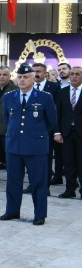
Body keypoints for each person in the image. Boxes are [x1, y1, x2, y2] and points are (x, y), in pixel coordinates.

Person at [0, 63, 57, 226]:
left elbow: (51, 122)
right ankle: (12, 211)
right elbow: (7, 118)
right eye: (20, 77)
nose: (22, 80)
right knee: (13, 181)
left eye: (26, 77)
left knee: (38, 182)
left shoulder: (45, 97)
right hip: (14, 146)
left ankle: (39, 215)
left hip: (36, 147)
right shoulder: (9, 97)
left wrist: (36, 134)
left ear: (34, 79)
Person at [31, 62, 62, 190]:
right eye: (34, 71)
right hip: (30, 130)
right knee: (32, 159)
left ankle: (45, 187)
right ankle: (33, 185)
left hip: (46, 130)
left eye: (39, 71)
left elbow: (57, 110)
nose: (36, 74)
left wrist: (55, 131)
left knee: (46, 160)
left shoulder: (54, 87)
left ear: (45, 74)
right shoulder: (28, 86)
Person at [54, 66, 82, 198]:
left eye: (77, 74)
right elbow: (57, 114)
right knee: (69, 163)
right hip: (66, 133)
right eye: (72, 74)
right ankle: (70, 189)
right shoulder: (62, 92)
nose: (74, 76)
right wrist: (57, 132)